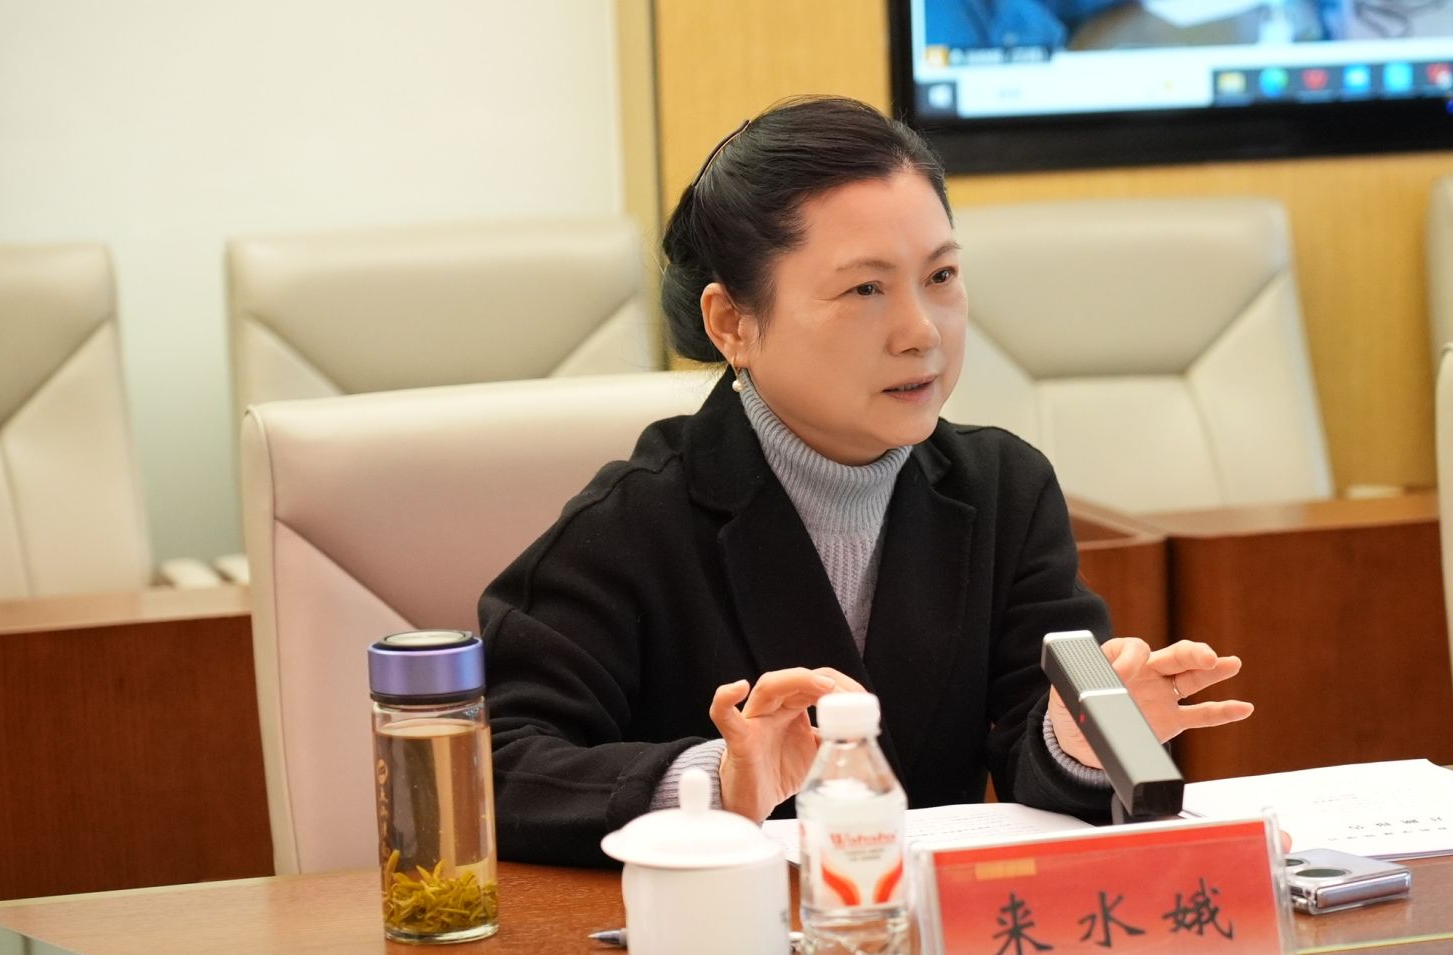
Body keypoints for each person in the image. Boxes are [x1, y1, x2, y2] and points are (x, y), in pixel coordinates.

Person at [479, 96, 1252, 868]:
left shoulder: (1003, 489)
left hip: (930, 932)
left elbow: (1035, 750)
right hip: (730, 930)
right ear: (733, 323)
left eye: (941, 275)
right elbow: (492, 759)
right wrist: (717, 783)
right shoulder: (636, 517)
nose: (922, 331)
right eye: (865, 290)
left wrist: (1078, 738)